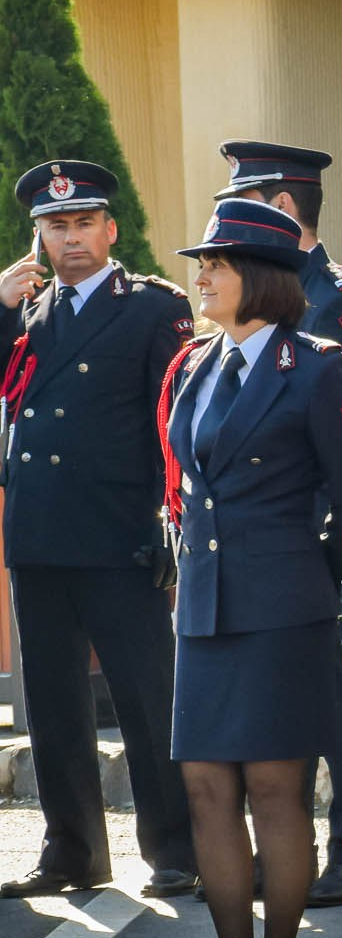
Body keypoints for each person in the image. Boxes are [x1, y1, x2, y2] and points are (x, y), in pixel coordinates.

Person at [158, 200, 342, 938]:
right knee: (205, 786)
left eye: (218, 264)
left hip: (282, 607)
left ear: (263, 278)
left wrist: (341, 597)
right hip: (203, 604)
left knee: (277, 788)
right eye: (201, 262)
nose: (201, 275)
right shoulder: (199, 364)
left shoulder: (316, 367)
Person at [0, 161, 196, 900]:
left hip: (120, 532)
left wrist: (165, 520)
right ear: (39, 238)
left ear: (110, 231)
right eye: (55, 227)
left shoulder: (152, 307)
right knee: (51, 705)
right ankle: (72, 849)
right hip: (41, 531)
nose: (70, 238)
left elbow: (172, 421)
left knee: (148, 699)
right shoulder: (25, 310)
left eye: (83, 223)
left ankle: (174, 847)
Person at [216, 138, 342, 908]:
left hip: (326, 538)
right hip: (269, 540)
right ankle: (291, 846)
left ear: (284, 208)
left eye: (244, 205)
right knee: (279, 703)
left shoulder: (340, 299)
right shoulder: (252, 296)